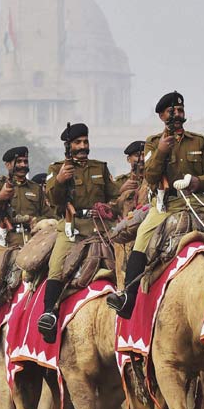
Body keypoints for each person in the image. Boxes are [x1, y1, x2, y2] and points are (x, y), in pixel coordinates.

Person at [107, 92, 204, 317]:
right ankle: (128, 295)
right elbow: (150, 175)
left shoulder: (199, 141)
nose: (177, 115)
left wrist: (197, 182)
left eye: (180, 110)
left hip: (197, 203)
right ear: (161, 116)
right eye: (172, 112)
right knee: (142, 239)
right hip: (166, 205)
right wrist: (161, 152)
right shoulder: (153, 143)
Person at [36, 123, 119, 343]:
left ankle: (127, 300)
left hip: (100, 227)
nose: (83, 146)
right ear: (68, 146)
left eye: (85, 142)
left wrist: (112, 206)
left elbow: (116, 197)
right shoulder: (56, 169)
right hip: (72, 228)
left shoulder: (100, 168)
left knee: (122, 257)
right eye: (78, 143)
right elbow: (53, 201)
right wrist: (61, 180)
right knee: (57, 265)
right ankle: (49, 314)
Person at [0, 148, 52, 346]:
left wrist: (37, 221)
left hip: (34, 241)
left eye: (26, 162)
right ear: (8, 165)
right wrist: (1, 196)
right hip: (8, 241)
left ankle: (50, 315)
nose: (23, 166)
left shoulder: (35, 189)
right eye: (19, 162)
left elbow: (48, 214)